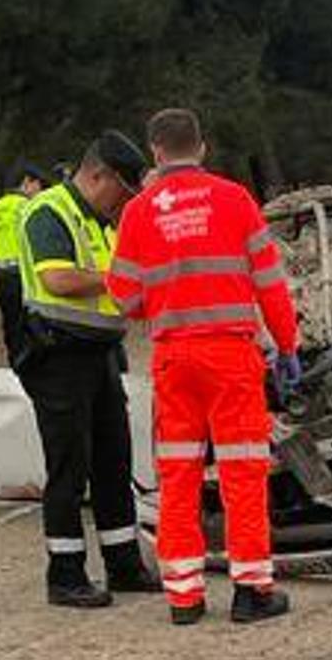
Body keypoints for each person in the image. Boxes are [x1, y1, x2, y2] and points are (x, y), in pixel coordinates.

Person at [106, 108, 301, 625]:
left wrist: (166, 300)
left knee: (178, 474)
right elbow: (271, 285)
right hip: (231, 357)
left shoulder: (139, 212)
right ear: (203, 147)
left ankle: (185, 597)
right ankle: (252, 590)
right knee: (242, 472)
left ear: (155, 151)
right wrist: (287, 345)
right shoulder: (235, 200)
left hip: (174, 359)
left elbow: (123, 297)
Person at [15, 131, 159, 608]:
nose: (125, 201)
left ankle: (124, 565)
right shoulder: (50, 211)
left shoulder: (101, 221)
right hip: (57, 357)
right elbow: (57, 277)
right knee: (69, 468)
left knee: (113, 461)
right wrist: (121, 278)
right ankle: (65, 575)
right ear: (97, 174)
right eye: (122, 188)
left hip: (97, 355)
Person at [0, 162, 47, 370]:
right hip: (25, 275)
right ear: (28, 182)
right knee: (33, 324)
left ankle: (16, 365)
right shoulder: (26, 206)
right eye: (40, 186)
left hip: (2, 276)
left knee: (10, 324)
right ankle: (34, 369)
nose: (41, 192)